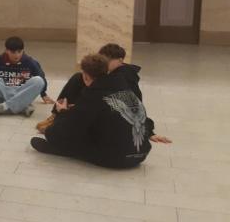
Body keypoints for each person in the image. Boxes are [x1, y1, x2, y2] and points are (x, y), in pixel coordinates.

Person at [31, 53, 171, 168]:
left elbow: (65, 129)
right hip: (141, 154)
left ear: (86, 76)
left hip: (117, 158)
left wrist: (62, 113)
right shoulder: (124, 87)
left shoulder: (93, 95)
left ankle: (61, 150)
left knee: (59, 134)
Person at [36, 42, 143, 133]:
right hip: (98, 106)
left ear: (120, 60)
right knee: (78, 78)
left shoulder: (125, 76)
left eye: (109, 60)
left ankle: (63, 118)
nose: (106, 62)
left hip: (110, 115)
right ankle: (56, 115)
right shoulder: (108, 72)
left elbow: (135, 101)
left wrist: (146, 128)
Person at [0, 36, 52, 117]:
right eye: (13, 52)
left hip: (22, 91)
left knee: (39, 80)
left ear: (23, 50)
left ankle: (5, 107)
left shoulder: (31, 62)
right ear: (6, 50)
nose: (17, 55)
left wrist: (43, 94)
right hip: (5, 90)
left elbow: (41, 78)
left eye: (19, 52)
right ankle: (22, 106)